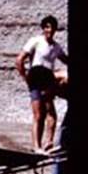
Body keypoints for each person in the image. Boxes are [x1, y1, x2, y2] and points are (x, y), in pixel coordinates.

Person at [15, 15, 68, 152]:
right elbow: (20, 59)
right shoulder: (36, 41)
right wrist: (25, 77)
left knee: (51, 114)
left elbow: (66, 60)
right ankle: (36, 147)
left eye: (52, 27)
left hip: (48, 81)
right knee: (39, 115)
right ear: (43, 28)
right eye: (47, 27)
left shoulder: (56, 47)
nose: (50, 30)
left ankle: (48, 143)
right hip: (36, 78)